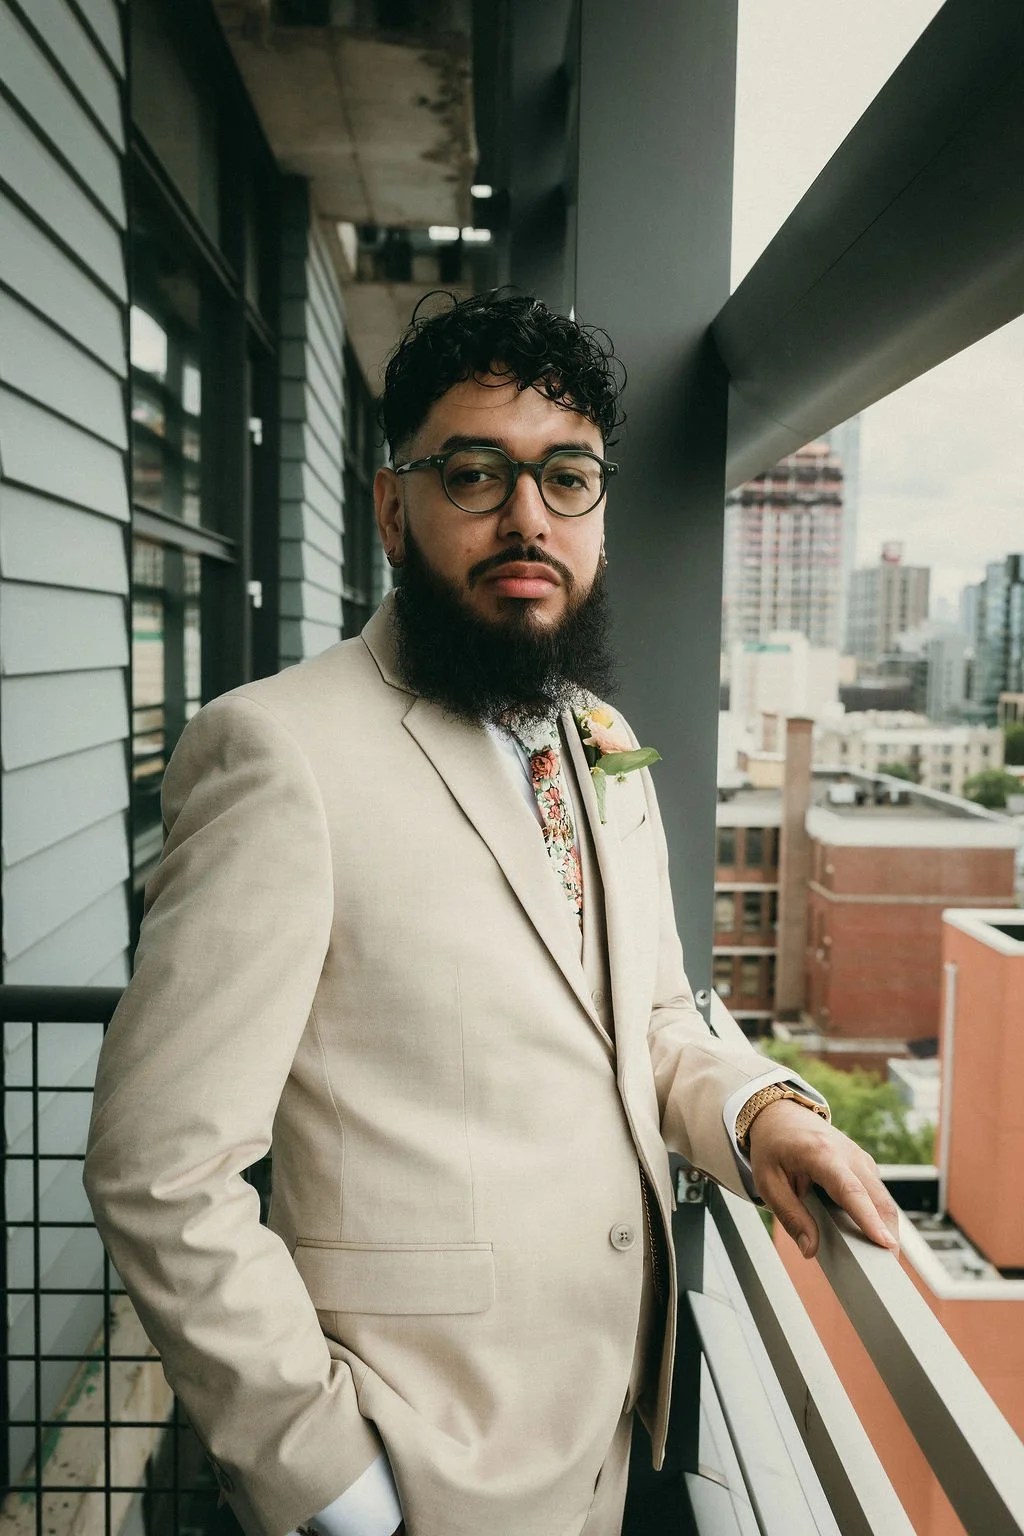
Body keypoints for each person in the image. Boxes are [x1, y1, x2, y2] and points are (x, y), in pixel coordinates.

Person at [84, 291, 899, 1536]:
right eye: (475, 472)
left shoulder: (597, 736)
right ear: (390, 509)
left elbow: (654, 1016)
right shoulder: (275, 753)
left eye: (566, 476)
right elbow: (157, 1170)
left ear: (600, 513)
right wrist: (331, 1482)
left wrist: (759, 1113)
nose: (527, 515)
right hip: (414, 1462)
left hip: (610, 1434)